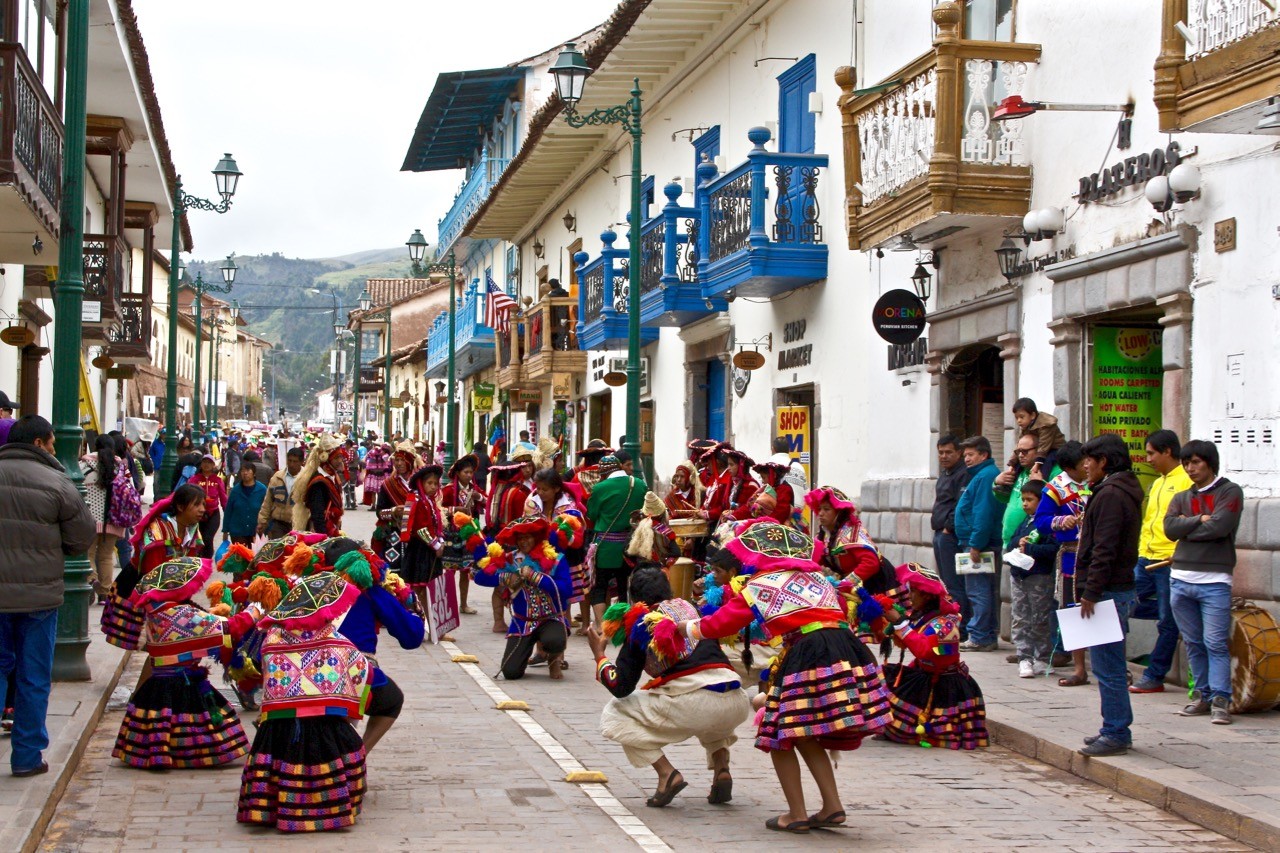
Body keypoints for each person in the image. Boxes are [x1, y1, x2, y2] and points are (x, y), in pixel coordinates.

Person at [676, 521, 892, 833]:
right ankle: (831, 806)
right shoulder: (817, 577)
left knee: (780, 732)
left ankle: (796, 813)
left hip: (809, 651)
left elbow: (718, 625)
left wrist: (682, 627)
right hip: (844, 647)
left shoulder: (761, 585)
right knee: (803, 732)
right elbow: (840, 608)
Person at [588, 566, 750, 807]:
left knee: (616, 712)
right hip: (736, 699)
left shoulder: (642, 623)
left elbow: (621, 687)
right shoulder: (692, 608)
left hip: (694, 702)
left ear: (635, 599)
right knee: (712, 710)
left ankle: (667, 774)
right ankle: (721, 767)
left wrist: (600, 656)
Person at [236, 572, 371, 832]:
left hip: (279, 725)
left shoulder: (272, 640)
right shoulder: (339, 644)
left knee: (277, 763)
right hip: (325, 724)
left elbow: (269, 677)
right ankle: (322, 812)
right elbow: (359, 673)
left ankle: (272, 810)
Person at [0, 415, 96, 777]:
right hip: (38, 598)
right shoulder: (57, 481)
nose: (56, 450)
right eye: (54, 444)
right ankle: (26, 757)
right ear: (39, 443)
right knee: (33, 675)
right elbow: (80, 538)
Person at [112, 557, 257, 769]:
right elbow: (229, 628)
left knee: (159, 722)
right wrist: (255, 610)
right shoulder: (181, 614)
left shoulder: (156, 610)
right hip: (184, 682)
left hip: (157, 684)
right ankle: (188, 754)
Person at [1075, 433, 1144, 757]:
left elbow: (1104, 548)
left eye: (1090, 459)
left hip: (1108, 593)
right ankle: (1113, 726)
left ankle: (1116, 730)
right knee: (1107, 664)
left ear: (1104, 461)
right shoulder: (1113, 490)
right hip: (1112, 589)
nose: (1085, 466)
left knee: (1108, 665)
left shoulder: (1112, 495)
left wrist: (1091, 591)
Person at [1166, 439, 1243, 725]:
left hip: (1214, 580)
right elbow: (1169, 529)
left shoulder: (1229, 491)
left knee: (1215, 642)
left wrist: (1188, 526)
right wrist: (1199, 519)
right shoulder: (1182, 496)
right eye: (1186, 463)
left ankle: (1221, 699)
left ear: (1209, 462)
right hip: (1180, 578)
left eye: (1195, 462)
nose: (1190, 468)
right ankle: (1202, 695)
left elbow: (1221, 526)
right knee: (1193, 642)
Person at [322, 539, 425, 751]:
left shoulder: (307, 586)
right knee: (391, 699)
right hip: (348, 672)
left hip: (297, 671)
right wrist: (413, 609)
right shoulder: (369, 591)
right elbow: (411, 637)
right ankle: (358, 758)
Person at [881, 562, 988, 749]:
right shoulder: (923, 617)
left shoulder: (944, 625)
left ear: (926, 595)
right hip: (925, 674)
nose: (909, 595)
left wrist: (899, 624)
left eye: (913, 591)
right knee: (883, 675)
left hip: (945, 685)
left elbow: (924, 650)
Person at [1129, 430, 1194, 694]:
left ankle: (1155, 675)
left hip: (1169, 562)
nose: (1148, 459)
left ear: (1167, 451)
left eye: (1152, 453)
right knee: (1125, 604)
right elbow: (1148, 523)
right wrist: (1141, 552)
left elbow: (1187, 523)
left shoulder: (1186, 482)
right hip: (1146, 559)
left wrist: (1179, 553)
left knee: (1167, 622)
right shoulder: (1157, 483)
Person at [473, 515, 574, 679]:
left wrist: (536, 577)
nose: (523, 542)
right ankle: (523, 652)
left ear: (536, 537)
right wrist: (505, 578)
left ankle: (554, 661)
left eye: (527, 537)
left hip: (551, 618)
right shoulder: (510, 560)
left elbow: (566, 590)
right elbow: (480, 577)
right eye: (519, 538)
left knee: (554, 640)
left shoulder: (554, 558)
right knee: (511, 672)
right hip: (523, 622)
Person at [1034, 440, 1091, 686]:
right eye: (1083, 462)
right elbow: (1041, 521)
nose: (1088, 465)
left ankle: (1109, 664)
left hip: (1097, 554)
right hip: (1071, 556)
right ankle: (1079, 668)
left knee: (1106, 610)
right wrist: (1062, 521)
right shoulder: (1054, 489)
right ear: (1068, 467)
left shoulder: (1096, 482)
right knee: (1072, 610)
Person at [953, 436, 1003, 652]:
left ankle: (981, 635)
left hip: (980, 545)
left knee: (978, 590)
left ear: (984, 455)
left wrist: (975, 544)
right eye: (965, 455)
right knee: (983, 589)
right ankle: (986, 634)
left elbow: (983, 513)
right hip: (979, 542)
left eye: (971, 455)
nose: (967, 459)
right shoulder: (983, 475)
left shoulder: (985, 476)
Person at [525, 468, 589, 632]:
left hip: (565, 557)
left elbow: (576, 534)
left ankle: (564, 637)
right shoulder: (532, 502)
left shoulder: (568, 507)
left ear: (556, 489)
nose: (540, 492)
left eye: (545, 489)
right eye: (538, 488)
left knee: (565, 595)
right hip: (539, 556)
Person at [586, 454, 647, 626]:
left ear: (603, 474)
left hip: (605, 546)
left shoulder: (600, 487)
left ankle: (601, 626)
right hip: (630, 545)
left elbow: (592, 514)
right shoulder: (639, 484)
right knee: (623, 586)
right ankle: (623, 625)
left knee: (599, 586)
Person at [1008, 480, 1058, 678]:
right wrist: (1017, 544)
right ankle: (1024, 657)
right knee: (1020, 617)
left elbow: (1052, 549)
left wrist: (1029, 548)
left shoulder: (1048, 524)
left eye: (1030, 499)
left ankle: (1042, 657)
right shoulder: (1025, 522)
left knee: (1040, 618)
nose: (1025, 504)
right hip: (1019, 576)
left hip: (1039, 578)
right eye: (1023, 499)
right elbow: (1012, 542)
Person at [931, 434, 971, 640]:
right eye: (941, 452)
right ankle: (952, 625)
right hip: (939, 534)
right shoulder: (945, 474)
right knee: (946, 584)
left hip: (949, 535)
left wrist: (948, 527)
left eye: (949, 452)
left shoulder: (962, 475)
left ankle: (961, 629)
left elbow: (960, 505)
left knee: (955, 585)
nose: (944, 456)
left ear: (959, 453)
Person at [483, 462, 532, 633]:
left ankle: (498, 621)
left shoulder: (496, 490)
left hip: (496, 542)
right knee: (518, 582)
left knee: (500, 583)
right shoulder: (518, 493)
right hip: (513, 543)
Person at [80, 434, 128, 596]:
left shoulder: (84, 465)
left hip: (90, 520)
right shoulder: (120, 468)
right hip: (113, 520)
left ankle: (91, 582)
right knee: (106, 556)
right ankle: (105, 591)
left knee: (89, 554)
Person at [441, 454, 486, 615]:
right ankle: (448, 603)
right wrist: (455, 510)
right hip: (452, 534)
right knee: (450, 570)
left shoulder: (474, 490)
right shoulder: (447, 490)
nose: (469, 475)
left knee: (466, 570)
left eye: (470, 472)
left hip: (468, 535)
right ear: (458, 473)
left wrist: (478, 496)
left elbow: (487, 502)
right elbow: (439, 509)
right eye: (466, 472)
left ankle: (464, 604)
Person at [399, 463, 446, 610]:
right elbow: (420, 529)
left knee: (430, 589)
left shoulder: (430, 501)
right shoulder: (418, 501)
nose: (433, 487)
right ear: (421, 484)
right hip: (420, 551)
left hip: (430, 550)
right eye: (429, 483)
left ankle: (432, 626)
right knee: (420, 589)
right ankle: (421, 621)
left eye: (435, 484)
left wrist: (441, 540)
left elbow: (436, 524)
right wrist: (436, 545)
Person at [371, 444, 418, 573]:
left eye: (402, 460)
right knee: (394, 574)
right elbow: (379, 512)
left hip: (417, 534)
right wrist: (393, 511)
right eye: (396, 460)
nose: (398, 463)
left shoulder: (420, 483)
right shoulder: (388, 484)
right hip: (394, 535)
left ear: (410, 461)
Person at [292, 435, 347, 536]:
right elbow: (317, 515)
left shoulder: (332, 477)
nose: (340, 461)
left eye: (340, 457)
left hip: (331, 528)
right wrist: (323, 538)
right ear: (326, 458)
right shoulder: (319, 482)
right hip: (321, 532)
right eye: (336, 458)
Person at [258, 446, 305, 539]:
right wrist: (262, 521)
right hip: (279, 524)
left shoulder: (307, 479)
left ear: (301, 462)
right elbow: (268, 501)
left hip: (299, 525)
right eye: (289, 460)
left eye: (295, 461)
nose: (291, 464)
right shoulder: (277, 477)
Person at [1012, 397, 1066, 476]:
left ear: (1033, 415)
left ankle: (1041, 482)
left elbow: (1044, 444)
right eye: (1016, 418)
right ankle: (1008, 484)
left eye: (1021, 417)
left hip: (1054, 448)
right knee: (1017, 465)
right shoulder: (1026, 426)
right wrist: (1012, 463)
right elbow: (1019, 445)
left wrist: (1037, 463)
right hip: (1039, 449)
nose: (1019, 421)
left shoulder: (1045, 424)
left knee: (1046, 463)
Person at [189, 454, 228, 559]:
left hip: (213, 514)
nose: (206, 465)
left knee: (208, 538)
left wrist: (228, 515)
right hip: (196, 515)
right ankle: (199, 559)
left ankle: (207, 560)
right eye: (204, 462)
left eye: (209, 462)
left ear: (213, 465)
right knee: (198, 539)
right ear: (201, 464)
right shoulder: (194, 479)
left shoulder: (218, 480)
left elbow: (223, 498)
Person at [223, 462, 267, 547]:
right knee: (240, 557)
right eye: (242, 471)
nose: (245, 473)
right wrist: (225, 530)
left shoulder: (262, 489)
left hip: (256, 531)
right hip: (238, 531)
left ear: (254, 473)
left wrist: (267, 527)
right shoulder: (235, 490)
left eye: (247, 470)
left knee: (255, 557)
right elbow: (228, 510)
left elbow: (267, 508)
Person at [362, 442, 391, 508]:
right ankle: (376, 505)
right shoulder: (384, 455)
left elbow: (364, 460)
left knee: (375, 491)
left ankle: (374, 505)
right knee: (377, 491)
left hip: (374, 475)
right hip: (379, 474)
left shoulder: (371, 453)